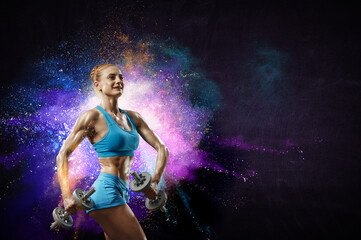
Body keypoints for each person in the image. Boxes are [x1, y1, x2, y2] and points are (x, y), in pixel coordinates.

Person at [56, 64, 169, 240]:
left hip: (122, 192)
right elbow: (62, 155)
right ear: (97, 85)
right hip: (105, 192)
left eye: (121, 77)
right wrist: (67, 196)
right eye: (111, 77)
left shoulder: (134, 118)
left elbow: (162, 148)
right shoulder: (91, 117)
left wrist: (154, 182)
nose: (118, 81)